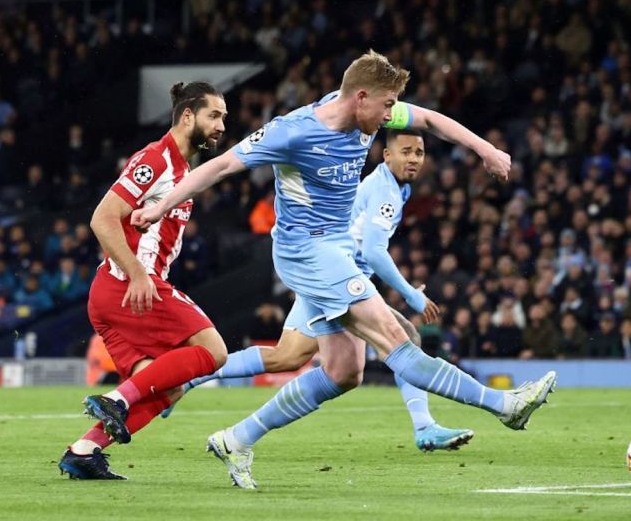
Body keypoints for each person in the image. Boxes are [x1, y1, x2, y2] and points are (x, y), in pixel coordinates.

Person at [132, 51, 556, 489]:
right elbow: (221, 166)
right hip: (307, 251)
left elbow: (429, 120)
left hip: (335, 251)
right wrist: (161, 206)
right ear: (361, 97)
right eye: (388, 105)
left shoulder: (365, 117)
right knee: (398, 339)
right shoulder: (293, 131)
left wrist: (486, 149)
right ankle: (504, 405)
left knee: (343, 371)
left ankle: (236, 438)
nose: (392, 116)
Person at [164, 129, 474, 454]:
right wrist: (411, 294)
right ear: (386, 155)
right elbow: (373, 251)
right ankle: (425, 427)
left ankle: (188, 381)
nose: (413, 159)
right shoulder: (385, 190)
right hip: (332, 279)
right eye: (406, 151)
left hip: (335, 276)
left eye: (419, 153)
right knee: (392, 342)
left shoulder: (394, 187)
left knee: (290, 354)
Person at [58, 82, 230, 480]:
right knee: (213, 350)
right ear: (188, 115)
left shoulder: (181, 168)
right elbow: (102, 218)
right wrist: (137, 273)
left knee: (168, 387)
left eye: (223, 116)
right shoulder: (156, 160)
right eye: (214, 115)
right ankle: (117, 399)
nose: (223, 124)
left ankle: (84, 450)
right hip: (128, 286)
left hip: (114, 294)